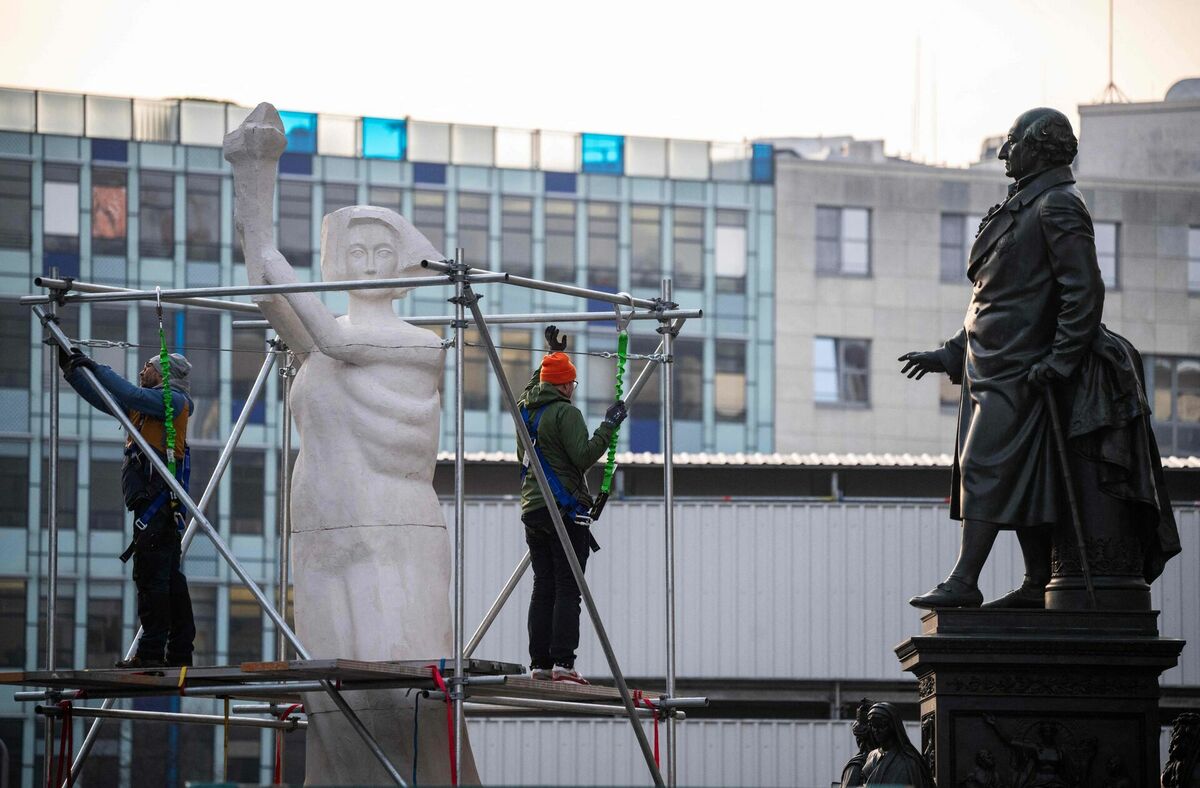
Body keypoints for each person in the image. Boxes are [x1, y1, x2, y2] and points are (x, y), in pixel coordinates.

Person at [898, 107, 1179, 609]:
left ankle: (965, 580)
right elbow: (995, 300)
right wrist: (949, 354)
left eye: (1011, 142)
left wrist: (1060, 359)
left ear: (1039, 145)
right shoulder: (1025, 206)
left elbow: (1084, 291)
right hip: (992, 366)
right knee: (1030, 479)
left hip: (1023, 369)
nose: (1005, 152)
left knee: (984, 465)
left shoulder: (1057, 205)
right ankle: (1035, 583)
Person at [61, 348, 196, 668]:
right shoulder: (144, 408)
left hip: (158, 505)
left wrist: (97, 366)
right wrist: (73, 372)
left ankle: (151, 653)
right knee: (167, 579)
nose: (141, 371)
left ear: (163, 373)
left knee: (153, 579)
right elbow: (102, 398)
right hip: (151, 504)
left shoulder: (174, 401)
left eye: (147, 367)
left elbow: (130, 393)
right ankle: (178, 652)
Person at [517, 326, 627, 684]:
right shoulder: (567, 414)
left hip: (533, 509)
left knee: (543, 585)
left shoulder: (525, 410)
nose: (572, 390)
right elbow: (583, 457)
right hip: (564, 510)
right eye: (572, 384)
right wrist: (607, 427)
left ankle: (540, 664)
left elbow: (538, 384)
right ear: (565, 386)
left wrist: (550, 356)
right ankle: (563, 663)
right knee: (568, 587)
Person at [860, 702, 935, 787]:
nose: (876, 730)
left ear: (893, 726)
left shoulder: (909, 760)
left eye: (881, 726)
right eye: (873, 726)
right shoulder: (871, 755)